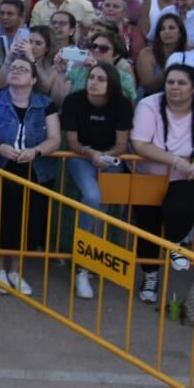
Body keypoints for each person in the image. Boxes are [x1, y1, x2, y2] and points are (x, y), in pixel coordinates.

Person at [130, 65, 194, 305]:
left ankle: (174, 243)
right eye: (170, 82)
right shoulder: (149, 104)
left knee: (183, 210)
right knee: (147, 228)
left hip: (187, 177)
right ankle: (150, 275)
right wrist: (177, 161)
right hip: (149, 174)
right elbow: (140, 144)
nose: (174, 87)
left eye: (181, 83)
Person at [0, 57, 62, 296]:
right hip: (0, 166)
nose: (16, 72)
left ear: (34, 79)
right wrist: (0, 146)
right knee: (1, 218)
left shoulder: (46, 104)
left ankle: (16, 270)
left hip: (35, 168)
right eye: (13, 68)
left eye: (23, 70)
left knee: (28, 221)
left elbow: (55, 138)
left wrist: (36, 151)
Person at [59, 61, 133, 298]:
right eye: (92, 77)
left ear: (111, 84)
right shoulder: (74, 101)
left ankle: (92, 262)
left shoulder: (122, 104)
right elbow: (72, 142)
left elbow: (122, 145)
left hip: (111, 159)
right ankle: (83, 266)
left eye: (101, 79)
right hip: (81, 156)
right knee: (92, 197)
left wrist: (106, 157)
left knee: (103, 206)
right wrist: (91, 154)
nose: (94, 82)